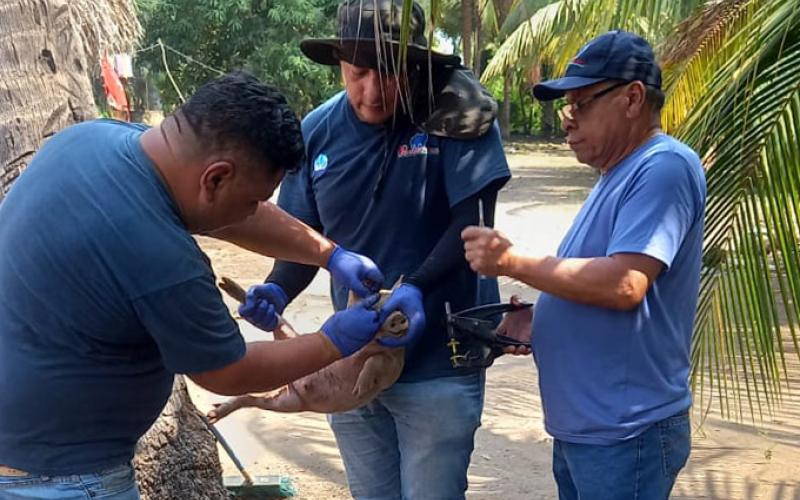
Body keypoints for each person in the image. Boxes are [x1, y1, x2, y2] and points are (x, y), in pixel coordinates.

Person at [0, 71, 419, 500]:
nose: (253, 210)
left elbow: (232, 214)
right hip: (60, 481)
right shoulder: (162, 255)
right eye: (253, 199)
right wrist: (333, 341)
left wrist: (329, 254)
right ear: (216, 178)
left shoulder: (92, 140)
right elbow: (228, 370)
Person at [236, 1, 511, 498]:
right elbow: (302, 236)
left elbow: (473, 223)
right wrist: (277, 288)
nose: (372, 91)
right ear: (340, 62)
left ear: (415, 65)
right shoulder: (318, 131)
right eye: (358, 73)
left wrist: (419, 286)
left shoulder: (459, 117)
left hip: (440, 364)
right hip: (349, 360)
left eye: (389, 74)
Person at [462, 31, 707, 499]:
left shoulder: (664, 166)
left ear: (632, 98)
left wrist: (511, 261)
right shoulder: (618, 174)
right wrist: (542, 317)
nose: (568, 119)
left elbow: (625, 284)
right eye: (567, 107)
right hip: (595, 429)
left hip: (626, 431)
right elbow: (602, 279)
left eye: (581, 104)